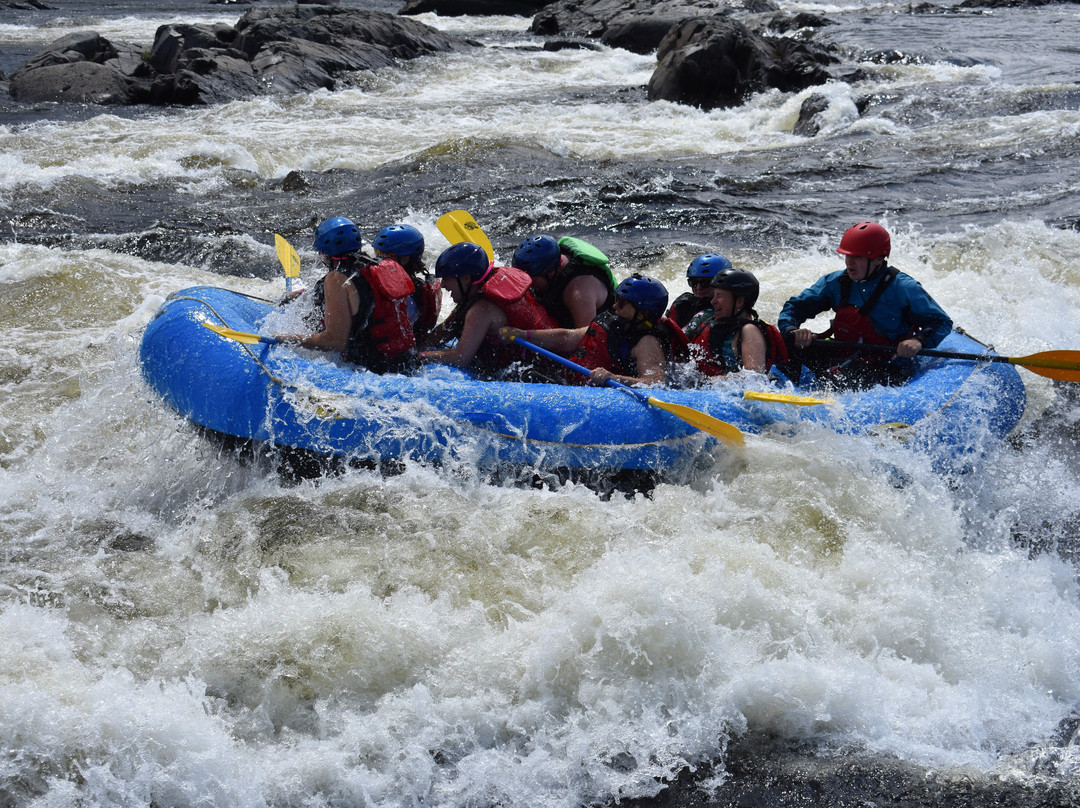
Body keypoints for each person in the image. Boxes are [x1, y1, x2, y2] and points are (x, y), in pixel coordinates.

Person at [777, 221, 953, 388]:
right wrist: (792, 330)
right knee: (786, 344)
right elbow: (795, 307)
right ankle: (786, 390)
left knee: (850, 378)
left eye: (858, 257)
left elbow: (941, 322)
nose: (849, 262)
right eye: (847, 255)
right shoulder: (835, 282)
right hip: (845, 355)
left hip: (887, 365)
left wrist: (917, 340)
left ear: (878, 259)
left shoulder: (904, 288)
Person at [274, 216, 417, 374]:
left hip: (371, 370)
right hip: (404, 363)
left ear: (324, 253)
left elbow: (335, 341)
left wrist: (288, 338)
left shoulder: (336, 278)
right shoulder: (374, 266)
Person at [500, 274, 689, 388]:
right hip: (577, 384)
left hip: (602, 394)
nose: (615, 306)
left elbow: (654, 381)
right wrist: (522, 334)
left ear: (643, 312)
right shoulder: (614, 323)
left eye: (622, 303)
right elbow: (567, 338)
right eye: (616, 299)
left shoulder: (646, 342)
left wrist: (613, 378)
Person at [419, 241, 556, 371]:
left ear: (466, 279)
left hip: (542, 366)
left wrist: (421, 356)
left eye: (447, 278)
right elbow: (446, 329)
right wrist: (415, 347)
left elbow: (461, 358)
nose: (442, 284)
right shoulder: (476, 295)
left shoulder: (481, 310)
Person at [685, 267, 788, 376]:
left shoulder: (749, 331)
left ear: (739, 301)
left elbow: (754, 377)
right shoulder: (712, 323)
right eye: (714, 296)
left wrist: (712, 381)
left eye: (719, 296)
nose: (713, 301)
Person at [511, 234, 616, 328]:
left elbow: (586, 341)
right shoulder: (552, 260)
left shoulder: (579, 293)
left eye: (531, 281)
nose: (527, 285)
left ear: (550, 272)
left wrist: (527, 336)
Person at [372, 224, 442, 347]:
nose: (379, 261)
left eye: (386, 256)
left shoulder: (409, 295)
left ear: (405, 259)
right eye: (377, 254)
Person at [667, 252, 733, 328]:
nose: (698, 288)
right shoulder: (684, 306)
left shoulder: (733, 309)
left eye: (705, 283)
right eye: (694, 282)